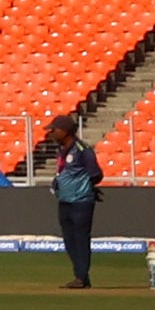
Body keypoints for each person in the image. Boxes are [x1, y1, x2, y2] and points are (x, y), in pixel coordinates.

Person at [45, 118, 105, 289]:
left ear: (65, 131)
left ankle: (81, 277)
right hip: (64, 201)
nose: (51, 133)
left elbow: (96, 174)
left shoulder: (82, 150)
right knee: (69, 241)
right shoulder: (61, 150)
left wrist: (84, 187)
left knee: (80, 239)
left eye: (54, 129)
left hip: (81, 202)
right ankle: (81, 275)